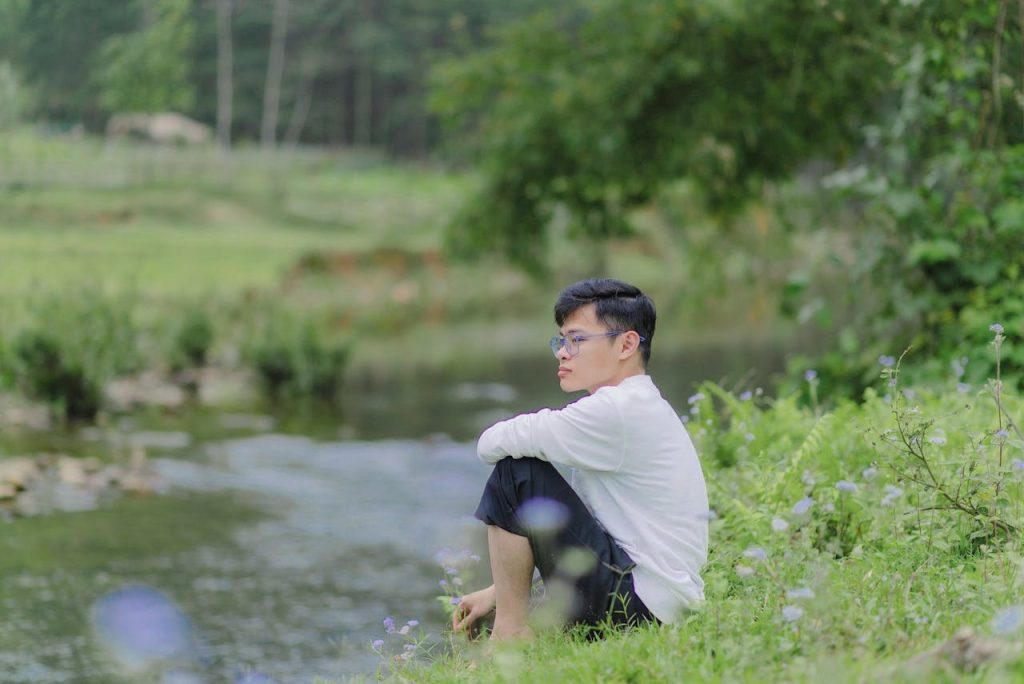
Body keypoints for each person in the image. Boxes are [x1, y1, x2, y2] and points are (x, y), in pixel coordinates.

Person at [452, 278, 709, 640]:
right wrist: (497, 592)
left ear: (626, 344)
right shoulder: (637, 402)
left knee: (516, 473)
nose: (562, 352)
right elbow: (594, 531)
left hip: (640, 607)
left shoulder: (616, 410)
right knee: (501, 606)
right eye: (561, 340)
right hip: (657, 602)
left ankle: (509, 636)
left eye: (577, 340)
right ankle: (508, 620)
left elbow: (489, 444)